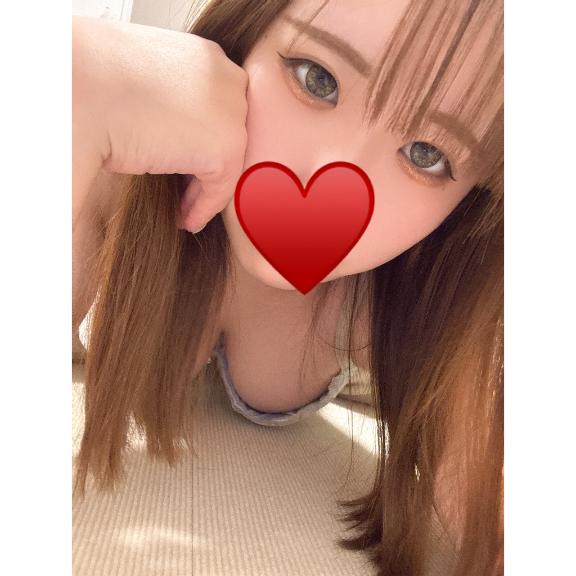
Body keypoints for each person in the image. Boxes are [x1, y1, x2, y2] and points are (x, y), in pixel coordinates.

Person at [72, 1, 503, 575]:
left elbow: (491, 517)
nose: (334, 173)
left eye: (427, 155)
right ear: (248, 30)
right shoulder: (128, 179)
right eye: (316, 78)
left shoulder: (381, 311)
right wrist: (70, 83)